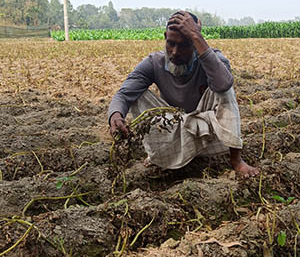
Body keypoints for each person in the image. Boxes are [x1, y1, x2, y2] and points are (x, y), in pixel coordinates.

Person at [107, 11, 259, 177]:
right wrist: (115, 115)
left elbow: (223, 84)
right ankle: (157, 157)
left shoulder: (213, 59)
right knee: (136, 95)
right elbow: (124, 94)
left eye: (184, 45)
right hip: (172, 126)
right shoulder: (153, 63)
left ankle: (236, 160)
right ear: (165, 37)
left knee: (225, 90)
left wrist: (196, 36)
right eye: (170, 43)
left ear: (195, 43)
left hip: (208, 130)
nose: (175, 52)